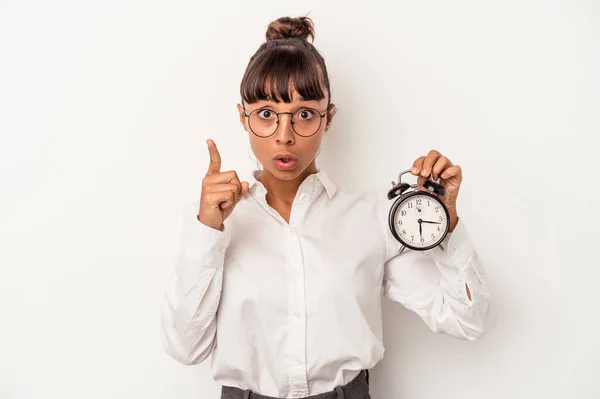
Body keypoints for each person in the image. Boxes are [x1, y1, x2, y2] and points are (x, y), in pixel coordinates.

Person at [160, 15, 490, 399]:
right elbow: (185, 348)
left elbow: (469, 320)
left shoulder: (370, 220)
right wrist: (208, 232)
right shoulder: (214, 224)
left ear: (327, 118)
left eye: (304, 114)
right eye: (266, 114)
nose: (285, 137)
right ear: (243, 118)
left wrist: (447, 221)